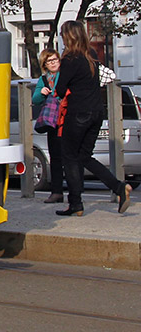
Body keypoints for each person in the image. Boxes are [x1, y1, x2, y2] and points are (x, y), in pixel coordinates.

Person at [53, 20, 132, 217]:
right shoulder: (91, 55)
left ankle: (76, 204)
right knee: (84, 156)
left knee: (69, 157)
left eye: (63, 34)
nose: (61, 38)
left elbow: (60, 90)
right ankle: (118, 187)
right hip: (96, 112)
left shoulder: (70, 59)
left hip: (78, 113)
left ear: (68, 36)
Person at [32, 48, 65, 203]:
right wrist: (42, 92)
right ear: (45, 64)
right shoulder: (44, 79)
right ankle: (57, 191)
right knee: (56, 157)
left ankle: (75, 190)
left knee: (71, 156)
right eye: (49, 61)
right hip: (53, 123)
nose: (53, 63)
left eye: (55, 60)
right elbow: (36, 99)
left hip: (66, 119)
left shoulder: (64, 74)